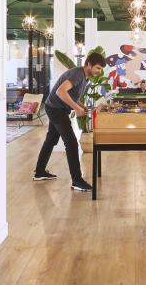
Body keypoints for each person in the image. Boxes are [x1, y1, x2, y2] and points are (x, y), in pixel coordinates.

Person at [33, 52, 106, 192]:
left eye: (101, 69)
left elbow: (70, 93)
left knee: (51, 140)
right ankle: (77, 181)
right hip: (56, 109)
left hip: (55, 108)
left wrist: (80, 105)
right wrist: (76, 107)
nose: (99, 71)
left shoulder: (84, 77)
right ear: (89, 64)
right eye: (98, 68)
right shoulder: (77, 74)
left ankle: (40, 172)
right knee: (71, 143)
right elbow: (60, 92)